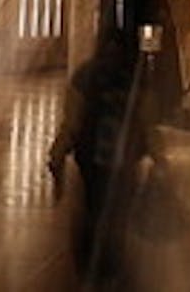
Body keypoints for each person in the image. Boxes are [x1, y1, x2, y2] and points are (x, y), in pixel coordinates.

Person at [48, 37, 165, 284]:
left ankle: (95, 261)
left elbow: (72, 122)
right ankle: (112, 259)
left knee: (95, 207)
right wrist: (159, 156)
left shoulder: (86, 77)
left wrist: (58, 154)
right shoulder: (135, 80)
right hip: (123, 160)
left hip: (94, 161)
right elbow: (148, 123)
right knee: (117, 210)